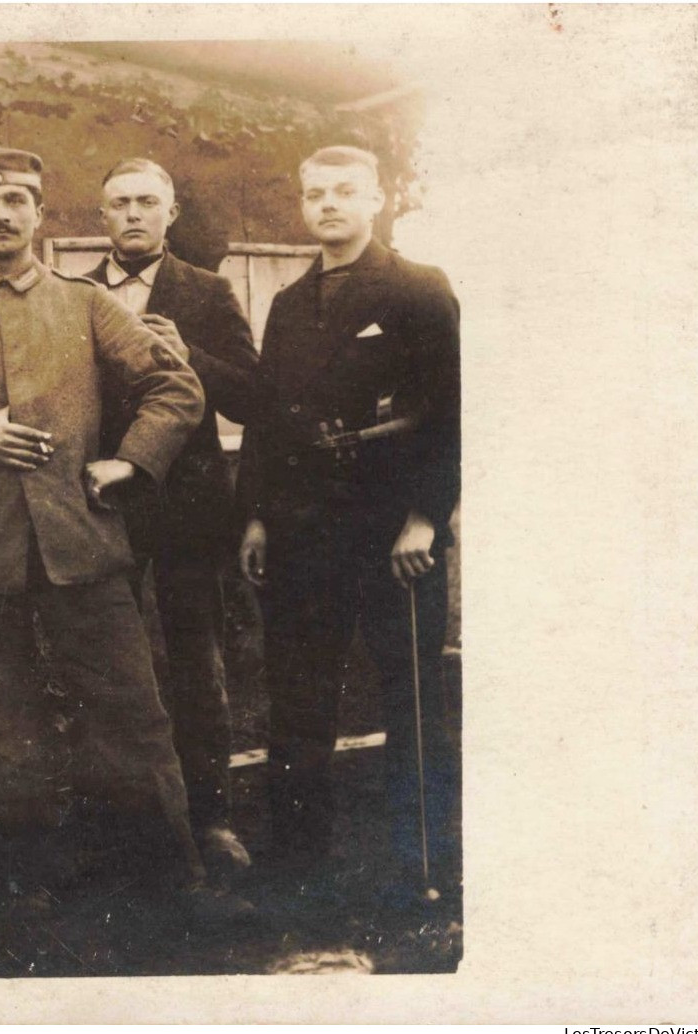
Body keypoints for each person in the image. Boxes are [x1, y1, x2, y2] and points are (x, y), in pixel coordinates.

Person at [0, 147, 246, 917]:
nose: (0, 214)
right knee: (3, 728)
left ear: (39, 212)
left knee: (132, 716)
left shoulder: (84, 303)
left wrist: (129, 465)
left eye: (15, 198)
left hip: (81, 547)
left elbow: (174, 386)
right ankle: (30, 882)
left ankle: (172, 878)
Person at [235, 145, 461, 906]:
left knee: (411, 697)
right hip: (302, 534)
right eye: (314, 193)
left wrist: (425, 519)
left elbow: (451, 412)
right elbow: (267, 420)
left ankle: (421, 864)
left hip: (392, 535)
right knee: (298, 699)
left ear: (375, 199)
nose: (327, 204)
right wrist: (259, 517)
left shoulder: (419, 290)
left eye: (343, 191)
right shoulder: (289, 303)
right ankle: (298, 864)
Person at [84, 157, 260, 881]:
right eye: (119, 202)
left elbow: (252, 394)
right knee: (106, 662)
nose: (132, 214)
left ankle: (211, 815)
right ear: (102, 217)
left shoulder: (206, 290)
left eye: (146, 202)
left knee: (196, 662)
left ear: (170, 211)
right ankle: (118, 816)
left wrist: (189, 353)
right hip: (104, 499)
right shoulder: (73, 293)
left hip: (188, 506)